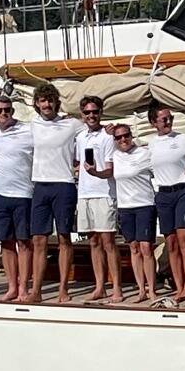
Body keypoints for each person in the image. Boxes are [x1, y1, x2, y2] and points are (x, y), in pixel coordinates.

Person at [24, 82, 84, 303]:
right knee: (38, 239)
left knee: (64, 238)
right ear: (37, 104)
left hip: (64, 185)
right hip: (40, 185)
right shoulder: (31, 125)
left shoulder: (71, 124)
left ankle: (63, 289)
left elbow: (94, 129)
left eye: (50, 100)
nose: (46, 104)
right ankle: (36, 290)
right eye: (42, 101)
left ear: (56, 103)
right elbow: (2, 127)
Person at [0, 94, 37, 300]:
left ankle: (23, 287)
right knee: (6, 242)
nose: (4, 114)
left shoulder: (28, 130)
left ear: (12, 111)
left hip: (24, 194)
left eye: (7, 110)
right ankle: (12, 286)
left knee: (24, 242)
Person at [145, 102, 185, 299]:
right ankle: (179, 286)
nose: (168, 121)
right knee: (171, 242)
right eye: (163, 118)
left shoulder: (184, 140)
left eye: (170, 118)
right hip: (163, 193)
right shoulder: (150, 144)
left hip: (183, 190)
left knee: (184, 238)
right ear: (153, 122)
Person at [73, 94, 121, 304]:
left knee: (108, 242)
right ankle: (100, 286)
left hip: (104, 193)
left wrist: (96, 173)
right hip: (84, 193)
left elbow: (110, 170)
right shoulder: (80, 137)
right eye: (87, 113)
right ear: (82, 115)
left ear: (101, 113)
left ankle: (117, 287)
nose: (91, 116)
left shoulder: (108, 136)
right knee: (93, 241)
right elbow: (77, 161)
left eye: (95, 112)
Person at [110, 122, 159, 304]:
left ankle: (152, 289)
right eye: (119, 137)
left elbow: (160, 169)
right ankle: (141, 290)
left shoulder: (145, 154)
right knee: (134, 247)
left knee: (146, 247)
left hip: (145, 204)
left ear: (131, 136)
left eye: (126, 135)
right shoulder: (114, 156)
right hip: (125, 206)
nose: (123, 139)